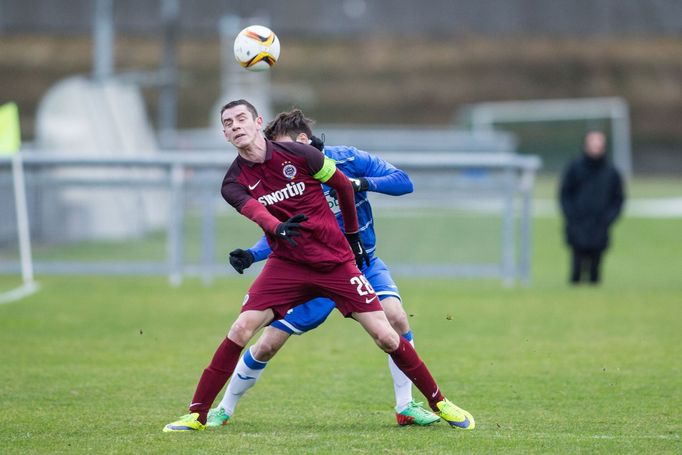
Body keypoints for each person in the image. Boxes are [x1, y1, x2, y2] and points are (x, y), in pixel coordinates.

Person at [163, 99, 474, 432]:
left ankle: (435, 402)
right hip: (289, 266)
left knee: (388, 331)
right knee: (247, 332)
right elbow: (259, 213)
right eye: (228, 123)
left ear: (257, 122)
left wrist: (353, 234)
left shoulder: (315, 157)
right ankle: (200, 413)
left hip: (340, 263)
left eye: (241, 119)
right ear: (224, 133)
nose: (235, 126)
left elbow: (348, 184)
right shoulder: (232, 182)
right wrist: (264, 241)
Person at [559, 130, 625, 284]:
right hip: (578, 224)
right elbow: (565, 194)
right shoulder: (575, 168)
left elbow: (618, 199)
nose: (596, 148)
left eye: (599, 145)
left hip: (600, 225)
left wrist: (608, 219)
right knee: (576, 270)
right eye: (593, 145)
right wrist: (572, 216)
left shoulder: (611, 172)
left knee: (596, 270)